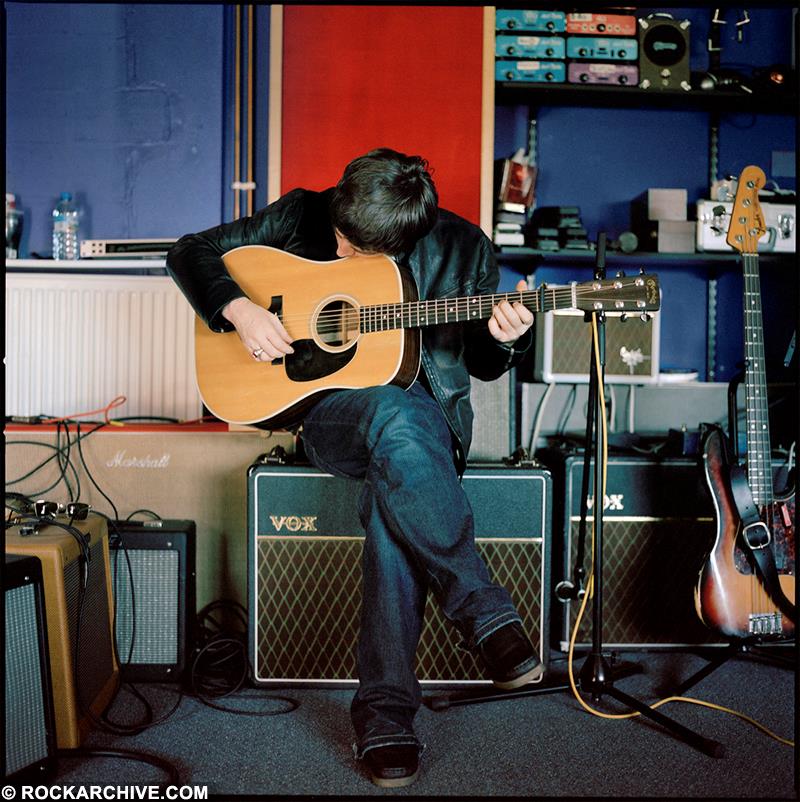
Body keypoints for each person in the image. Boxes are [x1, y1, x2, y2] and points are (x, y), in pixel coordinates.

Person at [167, 148, 542, 788]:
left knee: (399, 485)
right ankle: (483, 613)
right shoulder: (303, 214)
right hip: (330, 418)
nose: (338, 249)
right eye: (339, 233)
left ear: (403, 243)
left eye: (355, 248)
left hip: (427, 436)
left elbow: (481, 365)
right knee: (394, 418)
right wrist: (239, 308)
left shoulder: (465, 250)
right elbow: (189, 251)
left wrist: (508, 337)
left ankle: (385, 718)